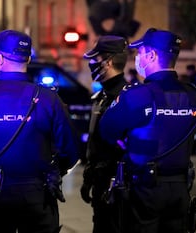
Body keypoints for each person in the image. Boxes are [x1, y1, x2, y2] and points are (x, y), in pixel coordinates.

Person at [0, 29, 80, 233]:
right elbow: (71, 149)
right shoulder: (48, 99)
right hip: (37, 194)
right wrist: (54, 170)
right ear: (28, 58)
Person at [99, 28, 196, 233]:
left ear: (152, 56)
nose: (137, 58)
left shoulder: (138, 95)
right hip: (180, 189)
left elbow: (107, 130)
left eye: (140, 53)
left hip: (145, 191)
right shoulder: (191, 95)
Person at [80, 35, 129, 233]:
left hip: (117, 186)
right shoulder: (102, 96)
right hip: (100, 183)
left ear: (107, 62)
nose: (91, 64)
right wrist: (89, 178)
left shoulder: (128, 98)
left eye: (94, 59)